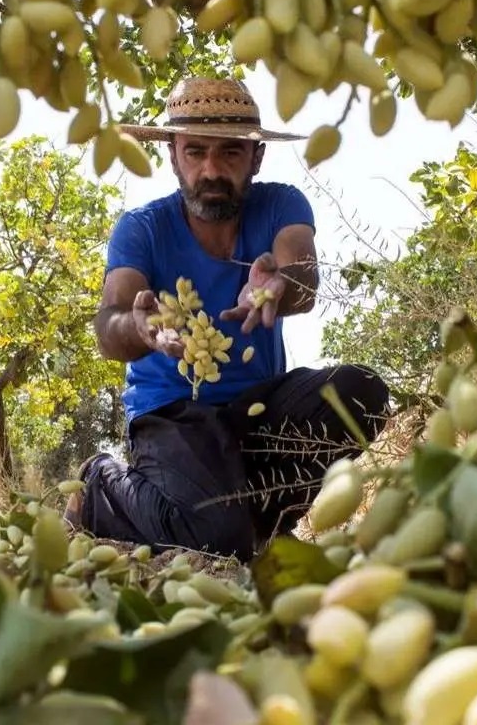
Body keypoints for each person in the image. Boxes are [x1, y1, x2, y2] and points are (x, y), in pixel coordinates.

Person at [63, 77, 390, 561]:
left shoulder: (281, 204)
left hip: (255, 410)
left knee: (361, 393)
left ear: (255, 159)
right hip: (171, 413)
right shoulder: (142, 228)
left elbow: (302, 273)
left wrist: (280, 282)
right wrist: (138, 327)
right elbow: (110, 323)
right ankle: (100, 488)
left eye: (230, 154)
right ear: (173, 155)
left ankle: (263, 524)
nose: (211, 170)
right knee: (216, 540)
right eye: (195, 152)